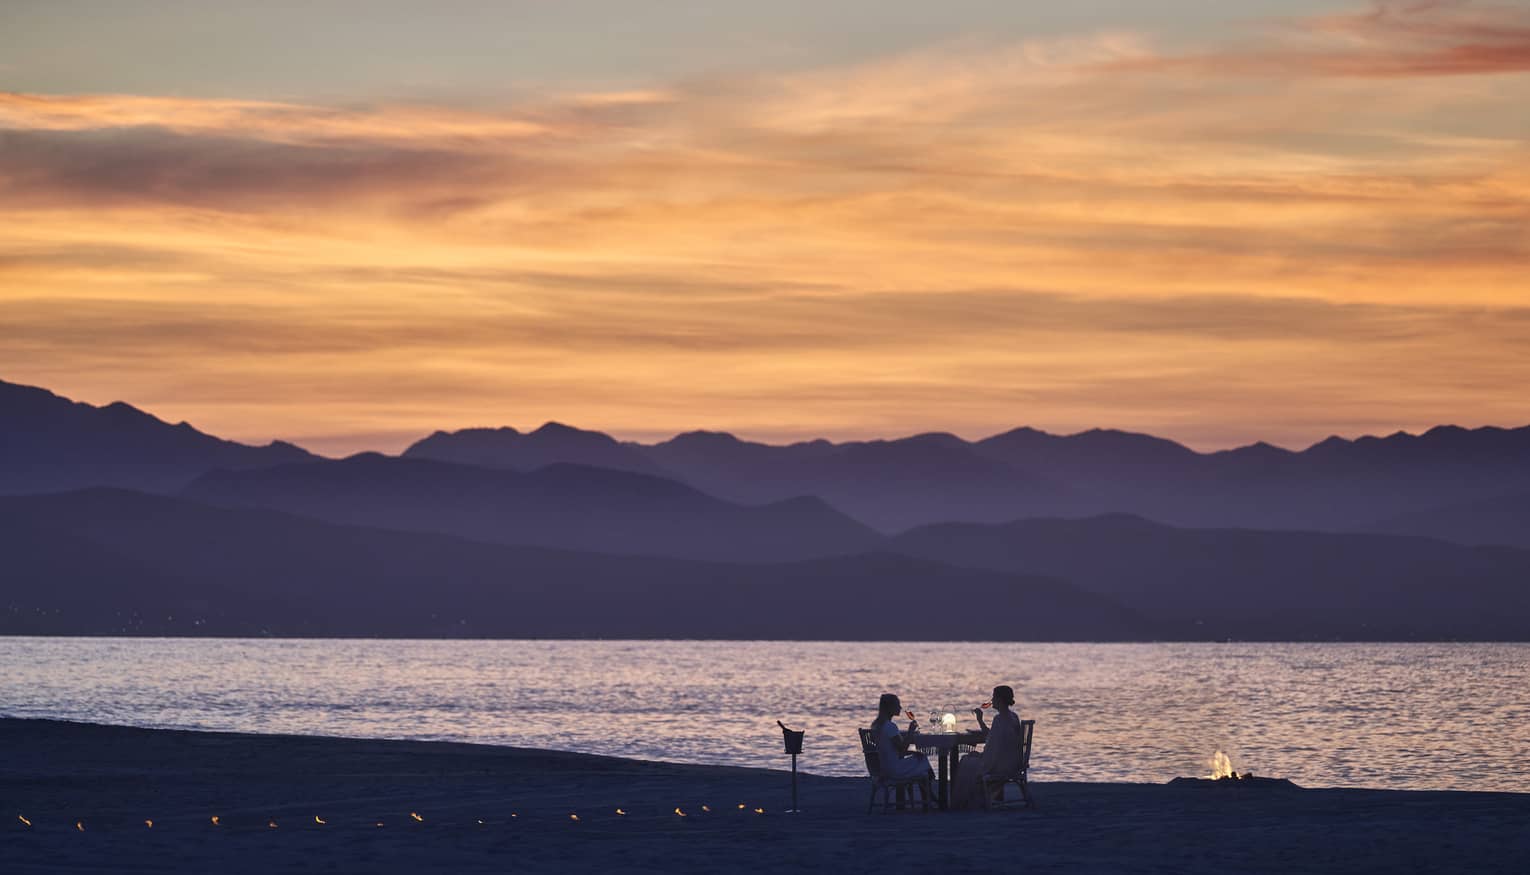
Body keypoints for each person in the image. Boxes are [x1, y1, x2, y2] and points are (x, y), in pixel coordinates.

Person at [951, 684, 1022, 809]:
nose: (992, 700)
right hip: (1013, 762)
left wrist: (981, 756)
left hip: (1001, 765)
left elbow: (993, 748)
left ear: (1000, 699)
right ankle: (977, 799)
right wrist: (980, 720)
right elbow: (994, 740)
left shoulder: (999, 719)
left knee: (965, 762)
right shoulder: (1013, 717)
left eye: (994, 697)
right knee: (970, 760)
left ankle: (962, 802)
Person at [869, 693, 933, 784]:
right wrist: (910, 731)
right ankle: (930, 794)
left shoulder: (876, 726)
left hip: (883, 768)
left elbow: (891, 750)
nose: (900, 708)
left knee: (920, 759)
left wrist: (914, 752)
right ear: (890, 708)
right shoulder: (890, 726)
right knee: (923, 760)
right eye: (897, 705)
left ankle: (929, 794)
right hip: (894, 770)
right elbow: (902, 749)